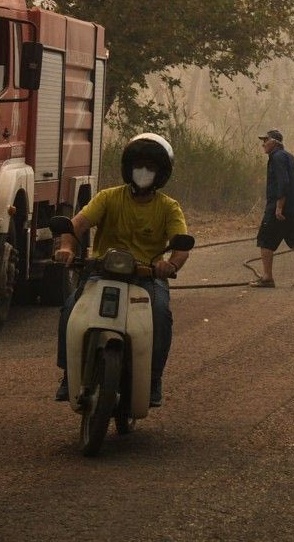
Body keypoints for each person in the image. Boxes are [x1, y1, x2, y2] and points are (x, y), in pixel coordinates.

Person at [53, 133, 189, 408]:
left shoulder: (169, 207)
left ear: (161, 173)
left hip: (147, 277)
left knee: (161, 315)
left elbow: (181, 246)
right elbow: (76, 225)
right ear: (128, 168)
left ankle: (153, 379)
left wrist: (170, 265)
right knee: (70, 308)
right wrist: (67, 248)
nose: (143, 171)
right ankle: (69, 373)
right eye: (138, 165)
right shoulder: (108, 197)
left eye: (150, 167)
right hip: (101, 271)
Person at [250, 129, 294, 288]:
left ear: (274, 142)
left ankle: (267, 278)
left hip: (278, 209)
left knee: (265, 241)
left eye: (265, 141)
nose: (263, 144)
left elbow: (283, 182)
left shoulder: (277, 157)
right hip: (291, 209)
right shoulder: (288, 156)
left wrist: (279, 207)